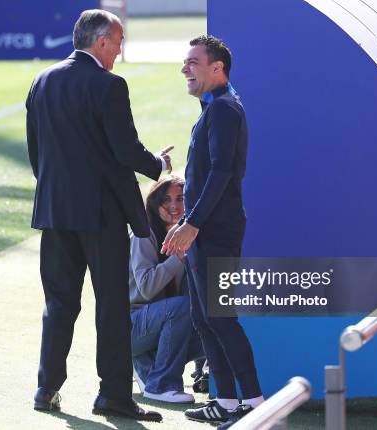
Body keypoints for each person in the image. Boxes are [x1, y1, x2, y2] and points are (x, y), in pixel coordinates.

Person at [26, 9, 173, 422]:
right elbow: (125, 149)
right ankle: (113, 395)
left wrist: (57, 193)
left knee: (58, 302)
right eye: (119, 41)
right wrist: (159, 166)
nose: (120, 49)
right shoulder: (109, 85)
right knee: (111, 306)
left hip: (55, 212)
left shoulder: (42, 81)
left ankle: (46, 387)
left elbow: (37, 153)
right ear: (101, 41)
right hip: (102, 215)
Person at [162, 35, 264, 428]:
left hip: (215, 232)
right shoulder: (214, 107)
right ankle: (224, 401)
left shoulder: (224, 109)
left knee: (220, 317)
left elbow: (222, 172)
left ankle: (255, 405)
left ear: (217, 68)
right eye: (184, 62)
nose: (184, 69)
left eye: (193, 62)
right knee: (204, 318)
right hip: (205, 232)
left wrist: (191, 224)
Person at [129, 175, 205, 403]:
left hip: (163, 323)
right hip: (130, 326)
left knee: (214, 323)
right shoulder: (143, 234)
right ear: (154, 204)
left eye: (180, 199)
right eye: (166, 200)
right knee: (183, 307)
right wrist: (177, 256)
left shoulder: (188, 234)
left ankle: (148, 367)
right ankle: (161, 384)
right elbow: (147, 289)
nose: (174, 206)